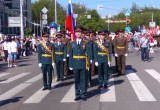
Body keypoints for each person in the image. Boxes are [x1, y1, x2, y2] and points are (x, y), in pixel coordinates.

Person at [69, 26, 90, 101]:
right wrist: (70, 65)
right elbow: (70, 55)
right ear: (75, 33)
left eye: (79, 32)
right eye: (77, 32)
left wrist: (89, 62)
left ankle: (83, 94)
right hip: (75, 64)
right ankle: (77, 94)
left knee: (83, 80)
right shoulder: (72, 43)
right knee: (76, 80)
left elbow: (89, 53)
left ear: (81, 33)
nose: (78, 33)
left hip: (83, 63)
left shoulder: (85, 42)